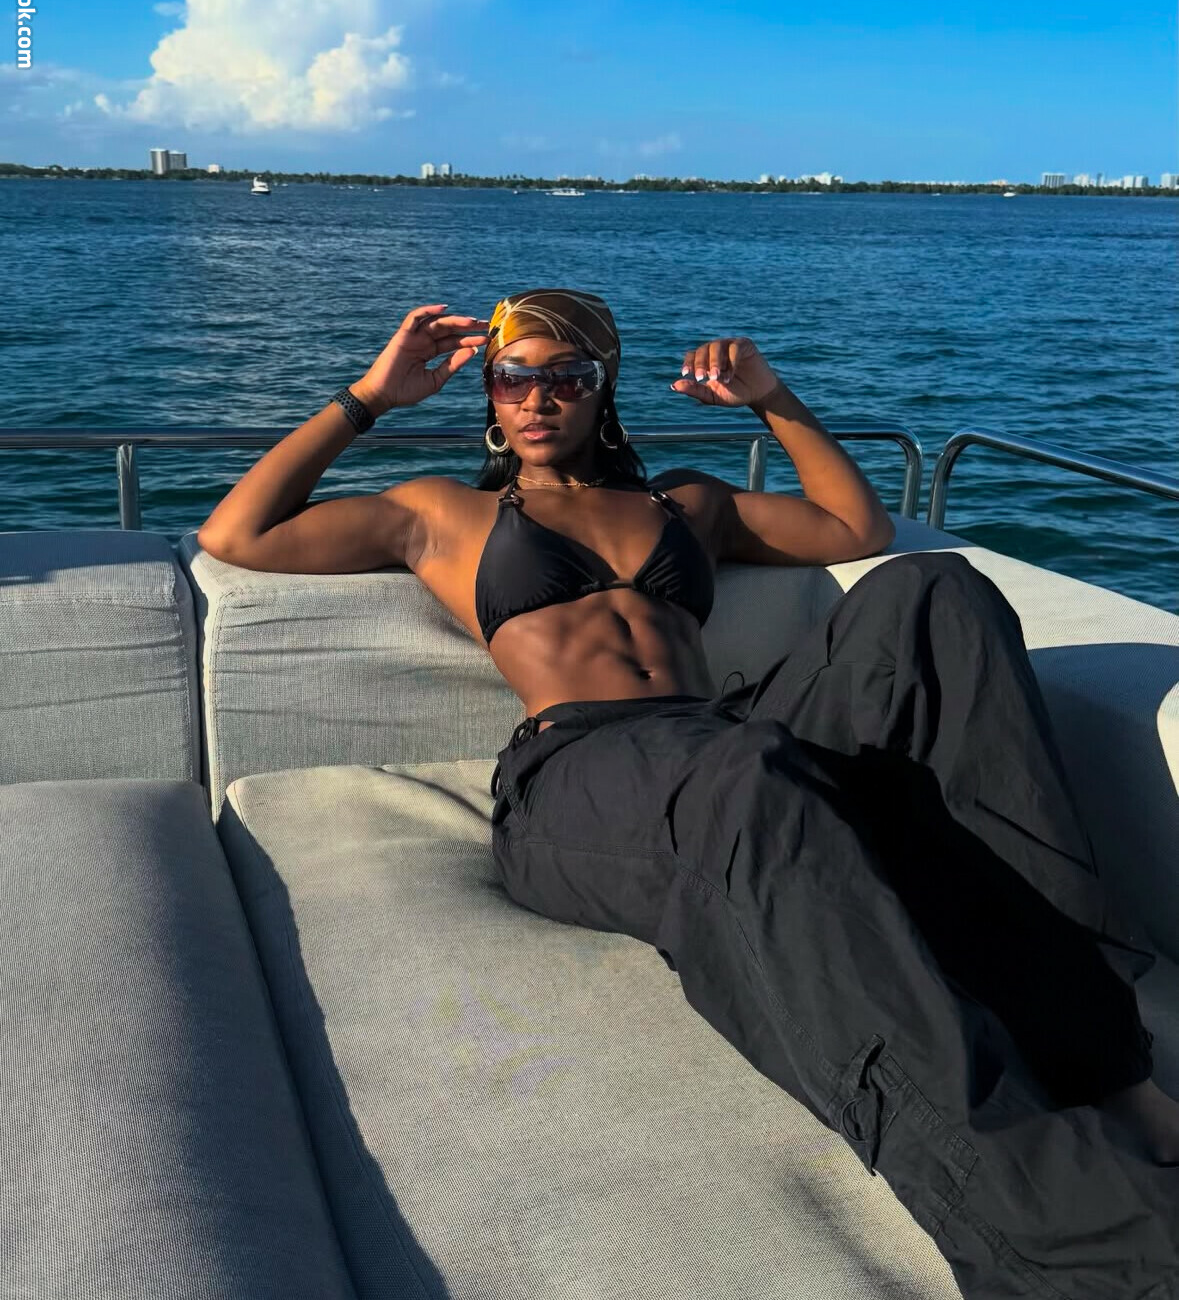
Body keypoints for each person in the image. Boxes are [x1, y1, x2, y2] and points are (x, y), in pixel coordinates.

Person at [198, 290, 1179, 1297]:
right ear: (489, 393)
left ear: (602, 388)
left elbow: (857, 525)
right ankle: (1094, 1249)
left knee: (936, 591)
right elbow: (237, 531)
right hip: (579, 771)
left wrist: (772, 399)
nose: (538, 399)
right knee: (746, 773)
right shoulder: (442, 514)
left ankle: (1099, 1055)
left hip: (722, 741)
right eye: (514, 378)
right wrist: (370, 396)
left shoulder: (684, 507)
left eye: (566, 377)